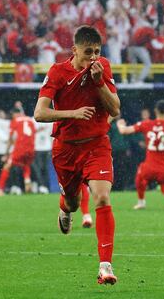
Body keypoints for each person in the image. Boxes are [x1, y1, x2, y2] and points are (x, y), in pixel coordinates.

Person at [34, 25, 120, 285]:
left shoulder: (102, 67)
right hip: (66, 149)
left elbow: (115, 108)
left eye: (96, 52)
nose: (92, 57)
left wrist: (99, 83)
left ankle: (105, 266)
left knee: (102, 198)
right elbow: (39, 113)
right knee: (72, 202)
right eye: (87, 52)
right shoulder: (57, 72)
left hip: (97, 145)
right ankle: (65, 207)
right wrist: (71, 113)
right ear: (74, 50)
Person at [0, 108, 36, 196]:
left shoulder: (15, 120)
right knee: (26, 165)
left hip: (20, 148)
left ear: (14, 114)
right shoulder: (30, 120)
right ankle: (28, 184)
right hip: (31, 149)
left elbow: (11, 138)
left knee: (7, 166)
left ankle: (0, 190)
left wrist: (6, 153)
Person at [32, 120, 53, 194]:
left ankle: (44, 186)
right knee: (39, 168)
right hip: (37, 148)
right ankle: (41, 186)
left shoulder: (50, 122)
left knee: (42, 168)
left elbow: (52, 135)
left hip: (45, 148)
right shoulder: (32, 120)